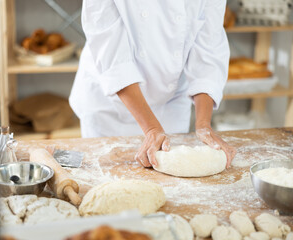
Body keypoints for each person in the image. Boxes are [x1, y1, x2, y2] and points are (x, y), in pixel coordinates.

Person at [69, 0, 236, 168]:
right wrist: (151, 129)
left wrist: (203, 125)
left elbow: (208, 49)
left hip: (170, 105)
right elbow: (113, 58)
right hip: (110, 107)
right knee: (106, 179)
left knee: (173, 185)